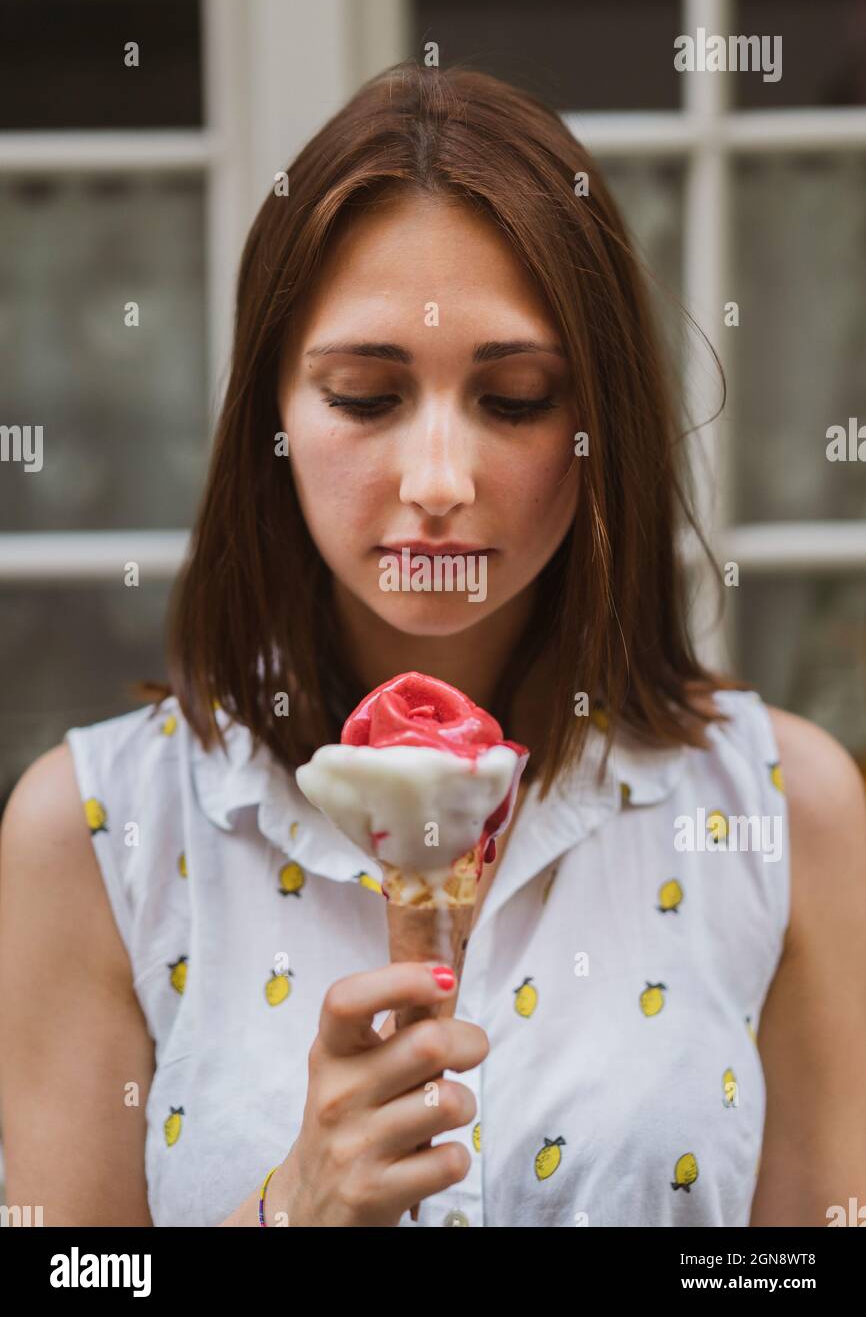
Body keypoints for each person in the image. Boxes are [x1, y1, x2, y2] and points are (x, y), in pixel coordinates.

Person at [1, 62, 865, 1229]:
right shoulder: (99, 834)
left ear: (594, 427)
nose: (438, 483)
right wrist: (286, 1216)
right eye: (364, 396)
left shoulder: (784, 811)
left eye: (512, 400)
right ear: (273, 415)